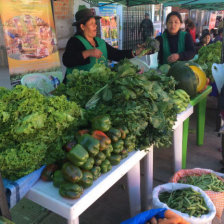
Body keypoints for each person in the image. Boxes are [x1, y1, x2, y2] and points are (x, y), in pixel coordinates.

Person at [62, 8, 145, 78]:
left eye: (95, 23)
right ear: (82, 27)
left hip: (97, 88)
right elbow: (67, 61)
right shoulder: (75, 41)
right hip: (79, 91)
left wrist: (136, 52)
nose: (96, 26)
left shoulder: (100, 42)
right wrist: (87, 53)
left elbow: (117, 54)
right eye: (91, 24)